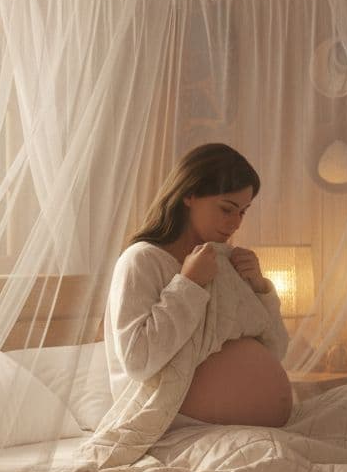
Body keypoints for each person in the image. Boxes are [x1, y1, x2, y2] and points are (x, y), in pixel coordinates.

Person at [105, 143, 292, 428]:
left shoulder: (222, 260)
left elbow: (276, 351)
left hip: (244, 428)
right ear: (189, 194)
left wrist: (259, 287)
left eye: (243, 212)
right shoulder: (141, 260)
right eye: (227, 208)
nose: (236, 223)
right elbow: (138, 361)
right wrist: (188, 285)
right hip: (175, 425)